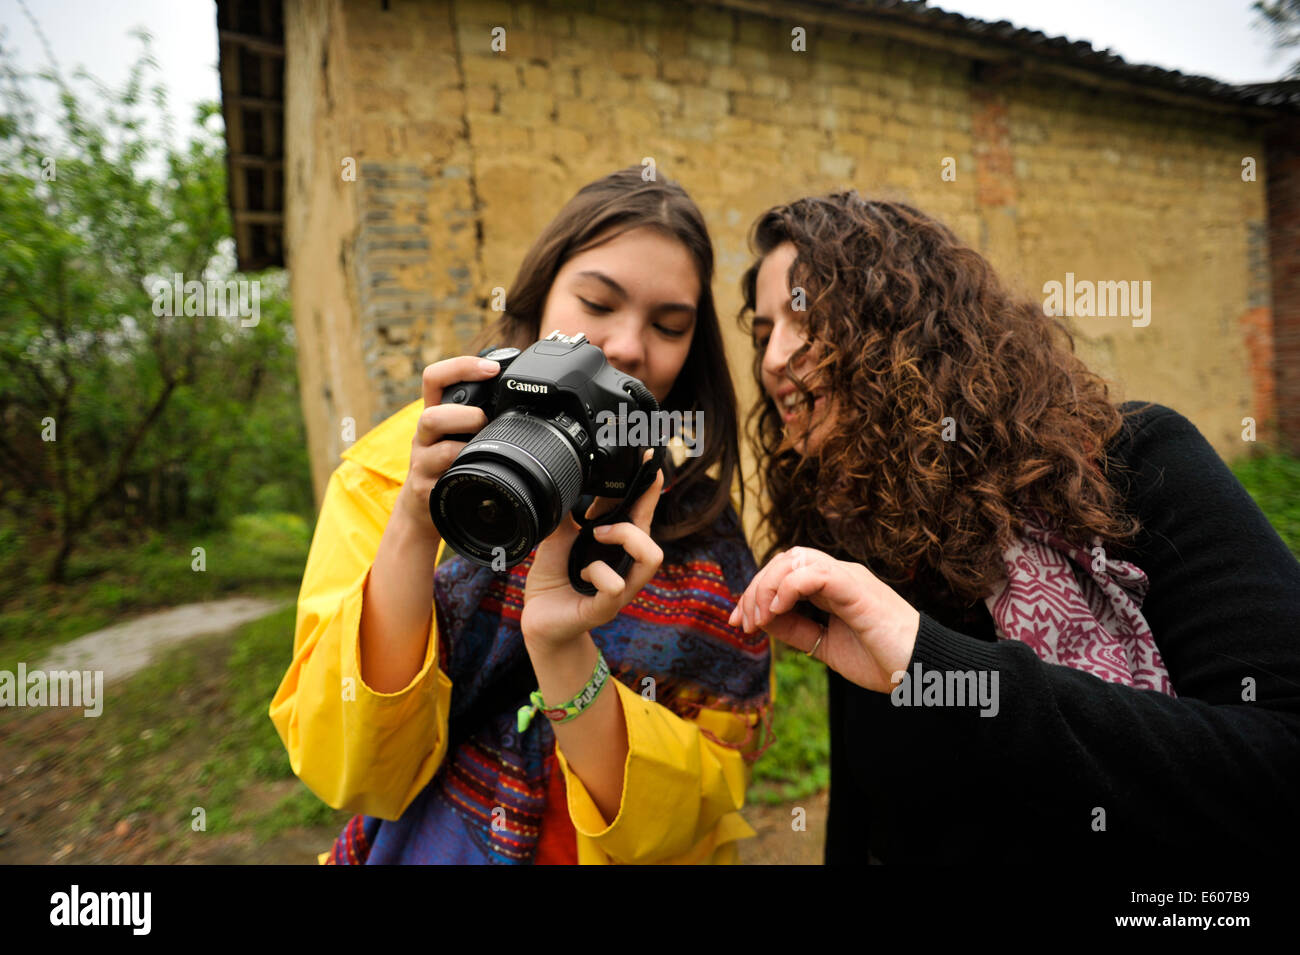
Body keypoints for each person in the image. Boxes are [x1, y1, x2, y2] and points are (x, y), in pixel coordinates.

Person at [729, 192, 1300, 863]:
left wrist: (942, 664)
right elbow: (866, 816)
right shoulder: (857, 536)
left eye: (805, 318)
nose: (772, 359)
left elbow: (1280, 762)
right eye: (764, 331)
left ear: (907, 327)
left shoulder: (1136, 465)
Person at [269, 167, 771, 864]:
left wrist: (564, 653)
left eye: (668, 325)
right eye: (597, 303)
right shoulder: (396, 468)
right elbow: (348, 763)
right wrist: (418, 520)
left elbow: (692, 809)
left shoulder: (700, 525)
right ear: (537, 299)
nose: (627, 344)